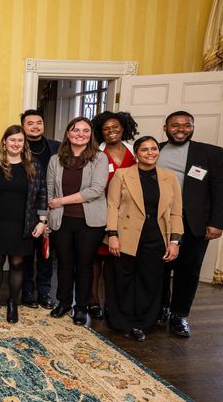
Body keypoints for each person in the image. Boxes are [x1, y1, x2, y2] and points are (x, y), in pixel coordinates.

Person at [157, 111, 223, 337]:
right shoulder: (154, 150)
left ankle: (179, 315)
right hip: (161, 221)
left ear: (192, 127)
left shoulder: (210, 153)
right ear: (166, 127)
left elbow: (220, 189)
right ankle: (162, 309)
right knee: (159, 268)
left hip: (194, 222)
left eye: (186, 125)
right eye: (175, 125)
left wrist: (216, 222)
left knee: (188, 271)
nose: (181, 129)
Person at [105, 136, 183, 342]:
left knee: (150, 281)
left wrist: (174, 241)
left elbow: (176, 212)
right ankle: (121, 322)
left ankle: (141, 323)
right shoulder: (122, 175)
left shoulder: (170, 177)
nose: (150, 153)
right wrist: (112, 235)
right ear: (136, 154)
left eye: (154, 149)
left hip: (156, 237)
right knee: (123, 280)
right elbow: (112, 206)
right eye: (144, 150)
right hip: (126, 235)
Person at [47, 117, 108, 326]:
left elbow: (96, 190)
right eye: (76, 130)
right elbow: (49, 190)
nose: (80, 134)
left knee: (84, 265)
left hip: (89, 222)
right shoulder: (56, 159)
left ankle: (81, 307)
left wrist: (61, 201)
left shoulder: (99, 158)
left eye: (85, 131)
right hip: (61, 220)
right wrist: (48, 215)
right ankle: (63, 302)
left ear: (91, 135)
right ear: (68, 133)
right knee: (64, 264)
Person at [0, 125, 47, 323]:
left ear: (24, 143)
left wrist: (42, 221)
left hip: (23, 223)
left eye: (20, 140)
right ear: (4, 142)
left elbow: (42, 194)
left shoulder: (33, 164)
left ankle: (13, 304)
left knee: (17, 264)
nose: (16, 143)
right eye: (12, 140)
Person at [88, 111, 138, 320]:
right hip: (100, 212)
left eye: (115, 127)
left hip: (127, 215)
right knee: (95, 259)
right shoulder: (95, 154)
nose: (111, 131)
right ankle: (93, 302)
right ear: (100, 132)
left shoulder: (134, 153)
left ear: (123, 128)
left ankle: (113, 304)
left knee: (117, 262)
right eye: (106, 128)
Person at [20, 110, 60, 309]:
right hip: (25, 209)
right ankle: (27, 292)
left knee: (46, 253)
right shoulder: (18, 145)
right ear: (23, 126)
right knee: (26, 253)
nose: (35, 126)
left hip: (50, 207)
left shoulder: (56, 147)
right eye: (30, 123)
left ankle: (44, 292)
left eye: (39, 122)